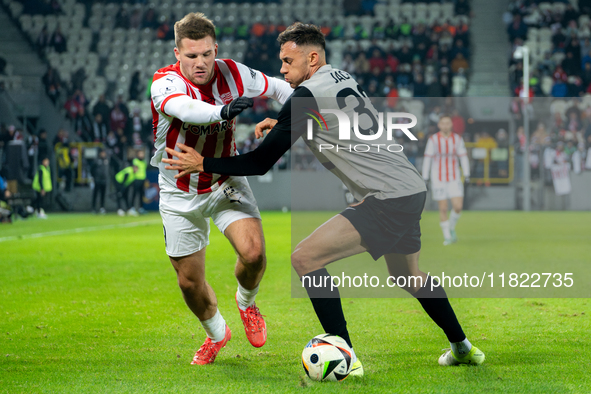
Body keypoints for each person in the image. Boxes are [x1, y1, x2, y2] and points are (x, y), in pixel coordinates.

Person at [162, 22, 485, 374]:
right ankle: (463, 348)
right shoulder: (341, 77)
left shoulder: (304, 97)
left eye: (288, 61)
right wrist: (284, 121)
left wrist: (202, 162)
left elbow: (258, 162)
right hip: (410, 187)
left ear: (312, 57)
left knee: (305, 258)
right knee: (409, 276)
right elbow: (331, 119)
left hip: (386, 196)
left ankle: (344, 355)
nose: (282, 69)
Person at [149, 13, 293, 365]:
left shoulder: (234, 72)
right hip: (178, 191)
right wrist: (224, 111)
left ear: (216, 49)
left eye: (206, 54)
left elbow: (281, 88)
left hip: (223, 178)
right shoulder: (164, 83)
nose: (200, 63)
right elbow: (186, 109)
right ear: (177, 53)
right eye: (191, 56)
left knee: (254, 254)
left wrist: (289, 117)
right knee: (189, 283)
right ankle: (217, 333)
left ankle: (247, 303)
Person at [422, 115, 470, 245]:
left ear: (451, 125)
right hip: (438, 178)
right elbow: (428, 158)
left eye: (447, 123)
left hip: (454, 178)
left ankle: (451, 227)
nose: (445, 125)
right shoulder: (433, 140)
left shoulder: (457, 139)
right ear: (439, 125)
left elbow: (463, 157)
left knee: (458, 206)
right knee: (443, 208)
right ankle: (447, 236)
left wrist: (467, 174)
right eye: (442, 123)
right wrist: (425, 177)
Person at [91, 149, 109, 214]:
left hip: (104, 180)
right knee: (95, 194)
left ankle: (102, 207)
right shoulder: (96, 160)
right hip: (97, 180)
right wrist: (94, 177)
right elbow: (92, 169)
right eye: (102, 153)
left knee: (103, 195)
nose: (103, 154)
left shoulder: (106, 160)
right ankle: (93, 208)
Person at [130, 150, 147, 214]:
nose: (141, 155)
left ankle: (141, 208)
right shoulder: (135, 161)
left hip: (142, 179)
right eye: (140, 154)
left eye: (142, 153)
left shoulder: (144, 162)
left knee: (141, 194)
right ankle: (132, 208)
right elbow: (134, 170)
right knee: (134, 194)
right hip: (136, 179)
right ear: (137, 155)